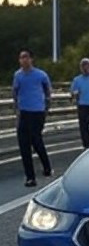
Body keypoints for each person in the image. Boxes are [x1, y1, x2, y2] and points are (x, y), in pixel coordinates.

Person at [12, 48, 53, 187]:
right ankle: (30, 177)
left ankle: (47, 166)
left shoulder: (41, 75)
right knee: (24, 144)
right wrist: (16, 111)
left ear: (31, 59)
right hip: (24, 112)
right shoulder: (17, 75)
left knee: (36, 140)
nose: (23, 60)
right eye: (21, 57)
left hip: (37, 112)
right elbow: (15, 93)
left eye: (26, 57)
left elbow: (48, 92)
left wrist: (46, 108)